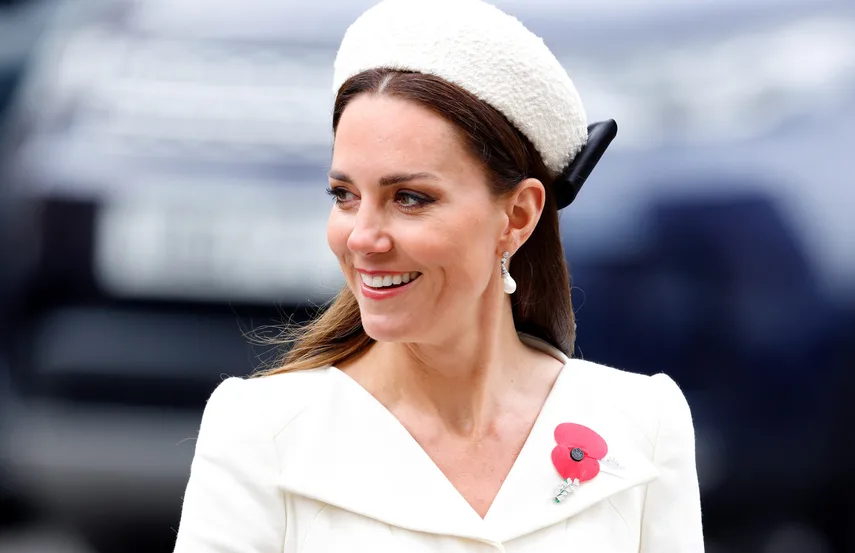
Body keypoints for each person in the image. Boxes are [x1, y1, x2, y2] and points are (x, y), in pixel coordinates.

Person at [173, 0, 703, 551]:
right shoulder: (262, 432)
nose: (362, 238)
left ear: (517, 216)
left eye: (409, 198)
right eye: (345, 196)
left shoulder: (643, 425)